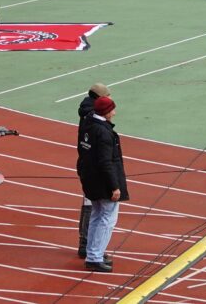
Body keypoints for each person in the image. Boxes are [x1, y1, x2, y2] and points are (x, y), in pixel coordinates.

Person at [76, 94, 128, 274]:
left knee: (97, 216)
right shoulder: (104, 132)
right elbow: (106, 162)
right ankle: (95, 257)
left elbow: (82, 154)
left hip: (91, 180)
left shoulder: (87, 125)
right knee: (107, 219)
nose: (114, 112)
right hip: (103, 183)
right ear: (106, 112)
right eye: (112, 109)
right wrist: (114, 186)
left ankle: (93, 253)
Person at [75, 83, 111, 259]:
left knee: (90, 204)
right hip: (91, 166)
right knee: (93, 207)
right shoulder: (92, 117)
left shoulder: (87, 113)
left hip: (86, 164)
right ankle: (86, 244)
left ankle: (86, 243)